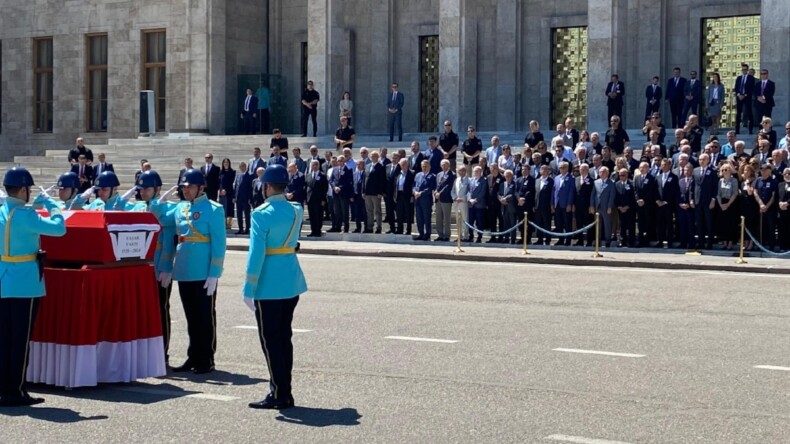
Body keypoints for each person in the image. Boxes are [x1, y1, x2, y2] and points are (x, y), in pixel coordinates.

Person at [242, 164, 307, 410]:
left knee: (271, 341)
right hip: (291, 280)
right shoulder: (296, 210)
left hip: (268, 285)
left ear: (267, 186)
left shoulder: (261, 213)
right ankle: (283, 389)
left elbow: (256, 253)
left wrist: (249, 287)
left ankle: (280, 392)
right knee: (284, 338)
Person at [0, 167, 66, 407]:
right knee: (20, 340)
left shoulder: (2, 213)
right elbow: (59, 228)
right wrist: (51, 204)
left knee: (4, 339)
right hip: (25, 283)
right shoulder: (26, 216)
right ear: (23, 190)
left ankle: (3, 389)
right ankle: (15, 391)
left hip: (3, 280)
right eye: (28, 189)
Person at [152, 169, 226, 374]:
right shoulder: (180, 208)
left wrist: (215, 272)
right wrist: (161, 198)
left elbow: (219, 244)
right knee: (191, 317)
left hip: (203, 271)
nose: (186, 191)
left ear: (201, 188)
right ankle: (193, 356)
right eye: (183, 187)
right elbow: (157, 216)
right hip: (184, 270)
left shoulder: (214, 209)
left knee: (205, 316)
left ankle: (206, 358)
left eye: (190, 187)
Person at [132, 171, 177, 365]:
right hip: (143, 268)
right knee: (142, 312)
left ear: (157, 190)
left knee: (160, 311)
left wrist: (167, 268)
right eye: (140, 189)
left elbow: (166, 231)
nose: (143, 193)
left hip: (160, 270)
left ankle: (162, 353)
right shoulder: (140, 207)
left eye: (147, 189)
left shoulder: (169, 209)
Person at [692, 153, 717, 250]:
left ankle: (709, 243)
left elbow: (715, 187)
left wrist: (713, 199)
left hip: (708, 200)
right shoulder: (695, 171)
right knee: (699, 222)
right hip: (698, 200)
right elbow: (692, 186)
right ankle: (701, 242)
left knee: (709, 222)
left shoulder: (712, 171)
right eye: (700, 159)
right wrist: (691, 199)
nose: (701, 161)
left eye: (703, 159)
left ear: (708, 160)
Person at [655, 158, 679, 248]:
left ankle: (669, 242)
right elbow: (655, 190)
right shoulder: (658, 177)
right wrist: (657, 200)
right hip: (659, 205)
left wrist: (667, 201)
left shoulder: (674, 177)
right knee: (660, 224)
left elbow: (675, 191)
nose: (663, 166)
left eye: (665, 165)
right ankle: (660, 241)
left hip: (668, 205)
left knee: (669, 224)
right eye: (662, 165)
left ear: (669, 165)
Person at [634, 162, 658, 247]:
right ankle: (640, 240)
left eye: (643, 167)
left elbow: (651, 191)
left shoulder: (652, 178)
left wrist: (644, 200)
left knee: (648, 223)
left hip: (648, 204)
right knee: (640, 223)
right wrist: (638, 200)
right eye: (640, 167)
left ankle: (647, 240)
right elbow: (635, 190)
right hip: (639, 205)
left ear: (648, 168)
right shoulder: (637, 178)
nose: (641, 169)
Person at [590, 166, 615, 248]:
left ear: (607, 173)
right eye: (600, 172)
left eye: (604, 172)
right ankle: (598, 241)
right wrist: (592, 205)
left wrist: (610, 207)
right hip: (597, 207)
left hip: (606, 207)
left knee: (607, 225)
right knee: (598, 225)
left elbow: (612, 196)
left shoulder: (611, 183)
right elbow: (593, 195)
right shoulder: (596, 182)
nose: (602, 173)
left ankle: (608, 241)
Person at [716, 163, 739, 250]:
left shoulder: (734, 180)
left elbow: (735, 193)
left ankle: (730, 243)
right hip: (722, 203)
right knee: (723, 224)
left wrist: (728, 204)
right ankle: (724, 243)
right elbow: (718, 193)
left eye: (726, 170)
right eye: (722, 170)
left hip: (731, 204)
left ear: (730, 170)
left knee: (730, 224)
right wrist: (721, 204)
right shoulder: (720, 181)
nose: (724, 171)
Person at [754, 164, 777, 250]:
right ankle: (761, 245)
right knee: (761, 227)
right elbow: (755, 192)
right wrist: (761, 204)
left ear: (769, 171)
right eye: (761, 170)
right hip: (760, 207)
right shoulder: (758, 180)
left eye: (764, 170)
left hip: (770, 208)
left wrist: (766, 206)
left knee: (771, 227)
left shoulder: (773, 181)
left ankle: (771, 246)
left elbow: (773, 196)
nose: (762, 172)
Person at [552, 162, 576, 246]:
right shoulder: (557, 178)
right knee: (558, 223)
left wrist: (569, 204)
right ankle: (560, 239)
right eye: (560, 167)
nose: (561, 169)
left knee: (567, 223)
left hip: (566, 204)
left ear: (566, 168)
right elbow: (554, 191)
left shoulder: (571, 178)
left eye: (562, 167)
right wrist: (552, 203)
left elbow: (571, 192)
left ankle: (568, 240)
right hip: (557, 204)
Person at [412, 160, 436, 241]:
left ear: (429, 167)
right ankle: (421, 233)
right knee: (419, 218)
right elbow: (414, 185)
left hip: (426, 200)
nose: (424, 168)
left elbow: (430, 188)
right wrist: (415, 192)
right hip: (417, 200)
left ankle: (427, 234)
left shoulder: (432, 176)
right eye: (423, 166)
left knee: (426, 218)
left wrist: (421, 193)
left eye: (426, 166)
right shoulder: (418, 175)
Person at [363, 152, 386, 234]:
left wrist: (380, 192)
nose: (373, 157)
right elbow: (364, 179)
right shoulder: (368, 166)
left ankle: (378, 227)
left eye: (375, 156)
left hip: (376, 193)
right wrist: (363, 191)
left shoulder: (380, 167)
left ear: (378, 157)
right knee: (369, 211)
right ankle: (369, 227)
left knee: (377, 211)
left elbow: (382, 180)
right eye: (372, 156)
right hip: (368, 193)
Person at [328, 157, 352, 233]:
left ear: (344, 161)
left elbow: (348, 181)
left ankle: (346, 228)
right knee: (337, 211)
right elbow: (331, 180)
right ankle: (338, 227)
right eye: (338, 161)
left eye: (341, 160)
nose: (340, 162)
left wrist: (340, 188)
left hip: (343, 193)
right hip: (335, 193)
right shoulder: (335, 169)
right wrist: (334, 187)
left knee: (345, 211)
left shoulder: (348, 170)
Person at [433, 159, 455, 242]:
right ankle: (440, 235)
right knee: (438, 218)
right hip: (438, 199)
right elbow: (437, 185)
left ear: (449, 165)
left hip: (446, 199)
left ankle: (446, 235)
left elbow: (448, 186)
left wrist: (440, 193)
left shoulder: (452, 174)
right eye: (442, 165)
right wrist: (435, 191)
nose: (443, 166)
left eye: (445, 164)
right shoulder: (439, 174)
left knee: (446, 218)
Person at [614, 168, 636, 248]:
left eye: (623, 175)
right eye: (619, 175)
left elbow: (633, 197)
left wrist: (627, 206)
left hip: (629, 208)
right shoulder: (617, 184)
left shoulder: (632, 183)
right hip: (620, 209)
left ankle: (631, 242)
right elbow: (615, 197)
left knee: (630, 225)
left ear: (626, 175)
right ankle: (622, 242)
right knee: (622, 226)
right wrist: (619, 206)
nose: (621, 177)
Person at [305, 160, 327, 237]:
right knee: (312, 216)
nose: (314, 166)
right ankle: (313, 231)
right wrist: (306, 198)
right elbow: (306, 187)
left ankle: (318, 231)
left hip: (319, 199)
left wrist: (323, 199)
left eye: (316, 165)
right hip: (310, 199)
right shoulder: (308, 175)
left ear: (319, 166)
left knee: (319, 215)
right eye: (313, 165)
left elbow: (325, 188)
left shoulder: (323, 175)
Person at [466, 165, 488, 243]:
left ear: (481, 172)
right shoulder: (471, 180)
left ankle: (479, 237)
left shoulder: (484, 181)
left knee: (479, 222)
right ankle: (471, 236)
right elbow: (468, 190)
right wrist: (469, 199)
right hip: (471, 204)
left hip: (479, 205)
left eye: (477, 171)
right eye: (474, 171)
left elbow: (483, 192)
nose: (476, 172)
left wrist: (475, 200)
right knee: (470, 221)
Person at [533, 165, 554, 245]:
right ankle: (540, 239)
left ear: (548, 171)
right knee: (539, 223)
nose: (544, 171)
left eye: (546, 170)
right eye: (542, 169)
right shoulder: (537, 180)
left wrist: (552, 205)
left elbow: (552, 194)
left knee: (547, 223)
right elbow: (535, 193)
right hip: (538, 206)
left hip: (547, 206)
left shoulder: (551, 181)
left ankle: (548, 239)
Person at [677, 164, 696, 250]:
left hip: (691, 207)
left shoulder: (695, 180)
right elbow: (676, 193)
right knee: (682, 225)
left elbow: (695, 193)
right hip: (681, 207)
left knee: (691, 226)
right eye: (685, 170)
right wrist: (680, 204)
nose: (686, 172)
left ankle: (691, 243)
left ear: (692, 171)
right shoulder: (680, 181)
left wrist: (689, 204)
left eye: (688, 170)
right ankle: (683, 243)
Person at [394, 158, 415, 235]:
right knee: (399, 213)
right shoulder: (398, 174)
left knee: (408, 213)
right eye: (401, 165)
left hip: (407, 196)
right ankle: (400, 229)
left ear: (407, 164)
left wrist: (412, 195)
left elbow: (413, 184)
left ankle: (408, 230)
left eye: (404, 164)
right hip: (399, 195)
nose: (403, 166)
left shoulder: (412, 173)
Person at [733, 63, 754, 135]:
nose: (744, 71)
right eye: (743, 70)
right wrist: (738, 94)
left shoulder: (751, 78)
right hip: (739, 98)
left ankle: (750, 129)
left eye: (745, 70)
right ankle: (737, 130)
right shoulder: (739, 78)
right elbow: (736, 88)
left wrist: (745, 95)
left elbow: (751, 88)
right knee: (738, 114)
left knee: (749, 113)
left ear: (747, 70)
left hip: (747, 97)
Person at [451, 165, 470, 240]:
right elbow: (452, 191)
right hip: (456, 202)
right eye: (460, 171)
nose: (462, 172)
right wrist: (455, 197)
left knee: (465, 219)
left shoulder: (468, 180)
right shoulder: (456, 180)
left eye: (463, 170)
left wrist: (463, 198)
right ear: (458, 172)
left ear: (465, 171)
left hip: (463, 203)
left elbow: (469, 191)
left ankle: (465, 236)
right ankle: (459, 236)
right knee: (458, 220)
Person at [234, 162, 253, 235]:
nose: (242, 168)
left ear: (246, 167)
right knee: (239, 215)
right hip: (238, 198)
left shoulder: (249, 176)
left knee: (247, 214)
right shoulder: (238, 176)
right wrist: (234, 197)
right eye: (240, 167)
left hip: (246, 198)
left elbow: (250, 188)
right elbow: (236, 187)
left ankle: (247, 229)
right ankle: (240, 228)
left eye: (243, 166)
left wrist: (250, 198)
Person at [219, 159, 236, 229]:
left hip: (230, 192)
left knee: (229, 207)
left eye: (227, 162)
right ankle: (224, 223)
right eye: (224, 162)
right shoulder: (220, 172)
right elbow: (219, 182)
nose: (226, 164)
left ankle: (229, 224)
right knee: (223, 208)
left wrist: (228, 191)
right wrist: (221, 189)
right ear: (223, 164)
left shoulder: (233, 172)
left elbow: (233, 183)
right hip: (222, 193)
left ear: (229, 163)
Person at [777, 168, 790, 251]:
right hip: (781, 210)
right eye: (785, 174)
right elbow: (778, 196)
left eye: (789, 173)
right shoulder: (780, 184)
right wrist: (780, 203)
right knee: (782, 229)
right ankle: (782, 246)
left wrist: (787, 203)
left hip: (789, 209)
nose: (787, 175)